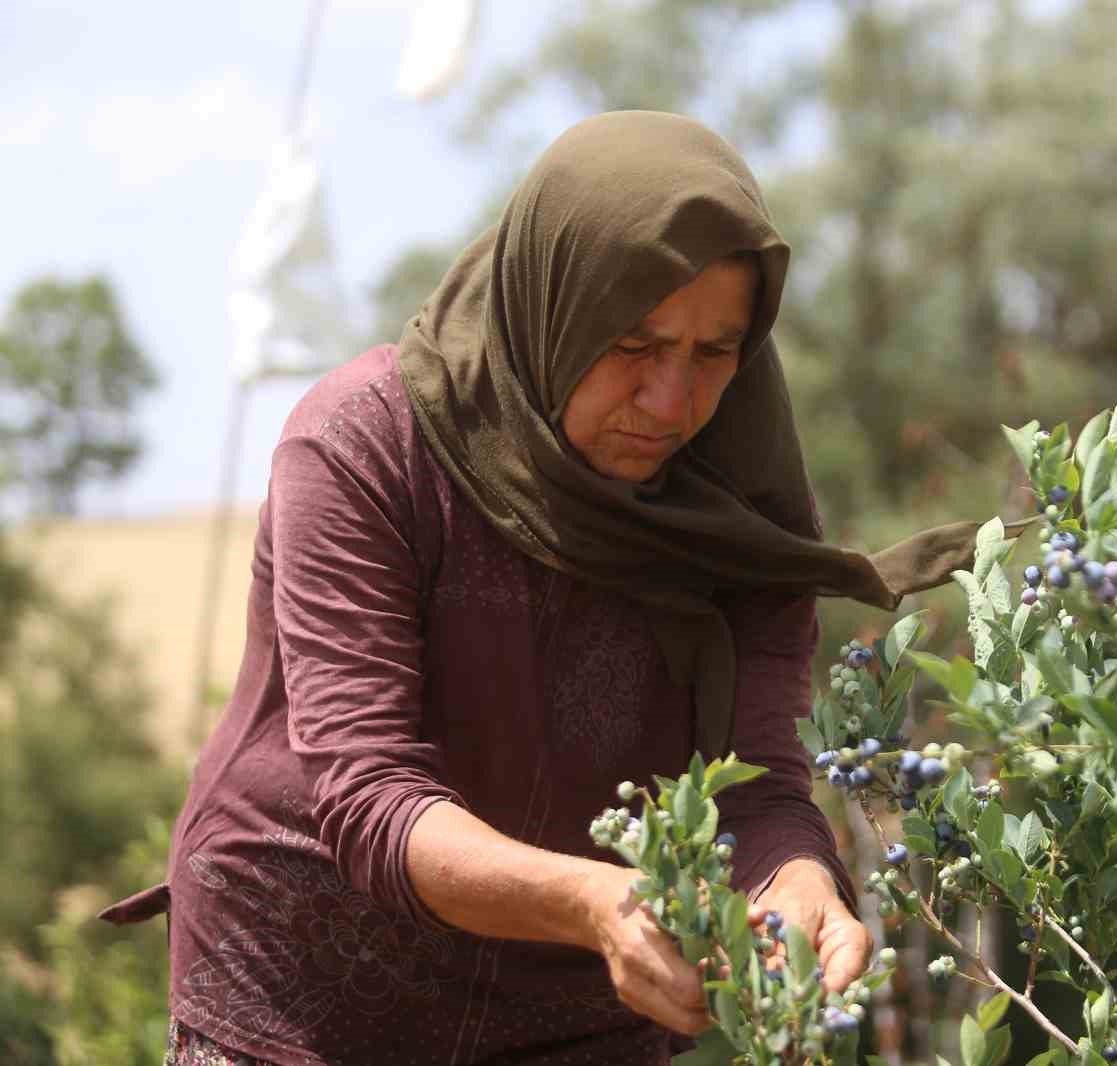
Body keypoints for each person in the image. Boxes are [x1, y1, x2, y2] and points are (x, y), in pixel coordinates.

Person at [104, 111, 995, 1065]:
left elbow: (759, 783)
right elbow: (368, 795)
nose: (670, 403)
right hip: (307, 986)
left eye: (713, 352)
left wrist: (802, 884)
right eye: (634, 345)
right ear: (551, 304)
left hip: (578, 1006)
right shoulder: (365, 446)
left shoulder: (744, 513)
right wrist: (601, 902)